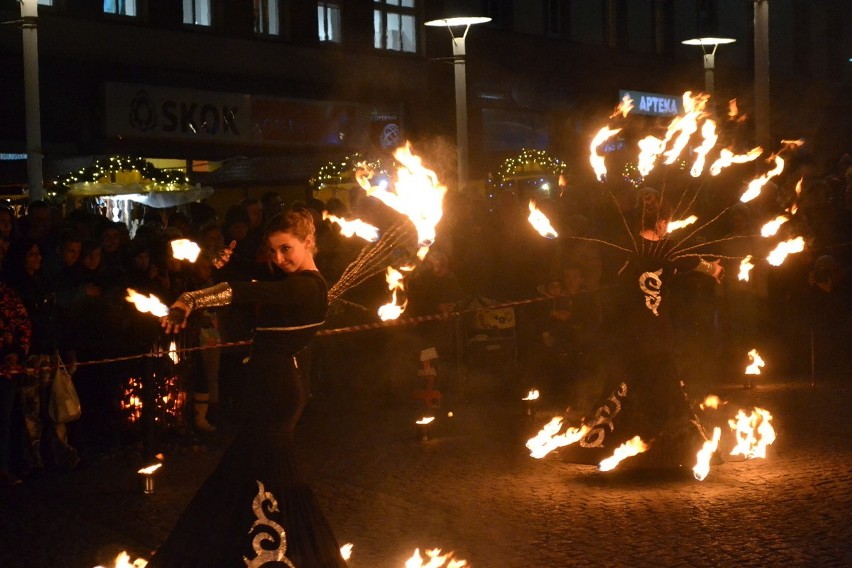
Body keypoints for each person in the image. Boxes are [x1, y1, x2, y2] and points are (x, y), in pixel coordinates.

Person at [148, 208, 346, 568]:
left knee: (267, 476)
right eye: (274, 251)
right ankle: (255, 551)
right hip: (272, 387)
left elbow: (243, 291)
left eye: (287, 249)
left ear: (308, 242)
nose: (280, 259)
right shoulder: (299, 282)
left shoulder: (305, 287)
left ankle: (288, 554)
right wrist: (231, 261)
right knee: (251, 475)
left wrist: (192, 299)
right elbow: (255, 277)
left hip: (275, 393)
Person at [565, 188, 723, 469]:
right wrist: (713, 269)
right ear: (661, 223)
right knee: (662, 387)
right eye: (667, 224)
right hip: (656, 335)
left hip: (632, 334)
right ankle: (663, 447)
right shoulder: (667, 249)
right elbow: (691, 262)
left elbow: (619, 282)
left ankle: (631, 443)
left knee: (631, 384)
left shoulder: (629, 250)